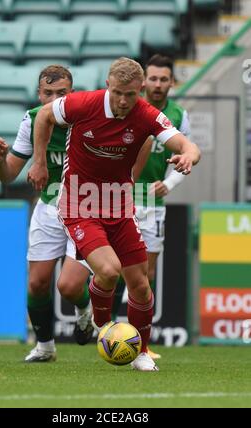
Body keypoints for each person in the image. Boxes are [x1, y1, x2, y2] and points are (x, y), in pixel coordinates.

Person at [28, 57, 201, 372]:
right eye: (118, 92)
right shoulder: (82, 104)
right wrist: (39, 162)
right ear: (108, 86)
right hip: (79, 204)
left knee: (140, 283)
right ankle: (104, 326)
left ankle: (142, 353)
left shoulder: (147, 114)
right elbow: (42, 116)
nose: (123, 101)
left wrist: (188, 155)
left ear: (141, 90)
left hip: (120, 206)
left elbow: (186, 144)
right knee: (108, 271)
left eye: (131, 94)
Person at [0, 65, 93, 363]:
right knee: (37, 283)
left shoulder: (86, 117)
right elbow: (8, 175)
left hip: (85, 209)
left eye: (61, 93)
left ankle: (86, 310)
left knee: (70, 286)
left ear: (71, 94)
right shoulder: (32, 120)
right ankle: (45, 346)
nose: (53, 99)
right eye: (47, 93)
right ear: (39, 94)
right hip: (48, 208)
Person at [111, 54, 192, 360]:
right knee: (115, 268)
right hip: (117, 198)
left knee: (146, 273)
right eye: (153, 79)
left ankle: (139, 340)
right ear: (144, 82)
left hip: (152, 202)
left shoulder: (178, 116)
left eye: (164, 79)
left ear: (172, 82)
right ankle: (106, 326)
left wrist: (168, 184)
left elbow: (187, 156)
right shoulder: (127, 107)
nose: (158, 85)